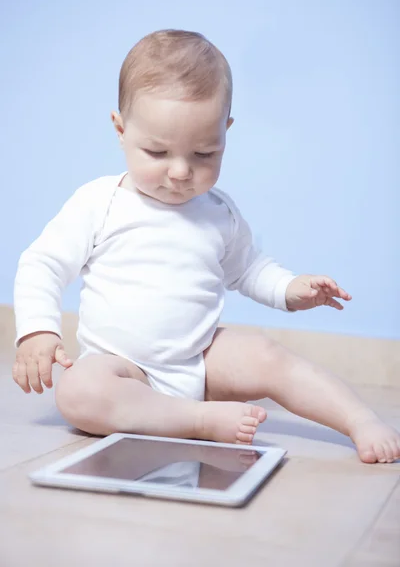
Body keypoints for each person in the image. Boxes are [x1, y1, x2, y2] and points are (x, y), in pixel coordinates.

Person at [13, 29, 400, 464]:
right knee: (80, 392)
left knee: (266, 355)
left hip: (198, 361)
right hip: (123, 368)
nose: (180, 172)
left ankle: (359, 420)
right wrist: (38, 330)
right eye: (157, 152)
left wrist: (291, 289)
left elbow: (249, 269)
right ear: (121, 130)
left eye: (204, 154)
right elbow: (42, 265)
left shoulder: (218, 213)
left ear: (225, 133)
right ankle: (198, 421)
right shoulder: (100, 203)